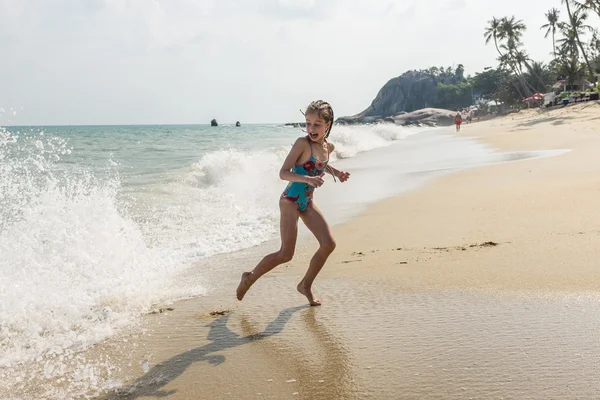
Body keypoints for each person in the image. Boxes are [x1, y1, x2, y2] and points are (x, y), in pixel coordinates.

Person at [236, 100, 350, 306]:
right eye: (308, 123)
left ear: (328, 125)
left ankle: (305, 285)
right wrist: (307, 179)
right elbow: (283, 173)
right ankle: (249, 277)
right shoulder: (301, 144)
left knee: (328, 244)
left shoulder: (328, 147)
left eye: (317, 124)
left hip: (307, 201)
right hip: (290, 201)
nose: (311, 128)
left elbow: (320, 164)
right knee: (286, 254)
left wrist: (337, 173)